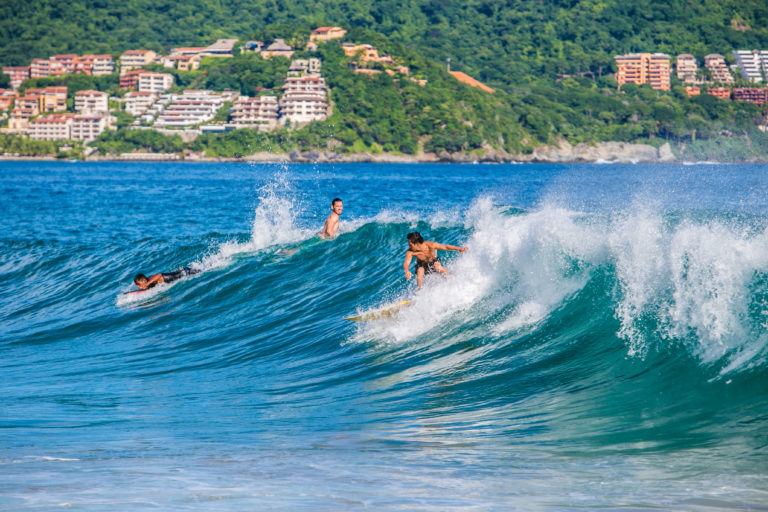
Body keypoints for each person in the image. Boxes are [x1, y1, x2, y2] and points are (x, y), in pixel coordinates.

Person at [403, 231, 468, 289]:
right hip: (422, 264)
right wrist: (406, 271)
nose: (409, 247)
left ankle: (452, 279)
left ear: (416, 243)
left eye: (410, 245)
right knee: (420, 271)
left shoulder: (431, 245)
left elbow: (445, 246)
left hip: (434, 261)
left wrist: (459, 249)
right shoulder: (410, 252)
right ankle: (420, 292)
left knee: (437, 267)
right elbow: (407, 263)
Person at [133, 267, 200, 290]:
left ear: (144, 280)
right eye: (138, 286)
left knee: (207, 270)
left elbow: (160, 275)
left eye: (140, 285)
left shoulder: (151, 279)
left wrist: (148, 283)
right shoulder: (149, 279)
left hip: (185, 272)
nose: (140, 287)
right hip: (182, 272)